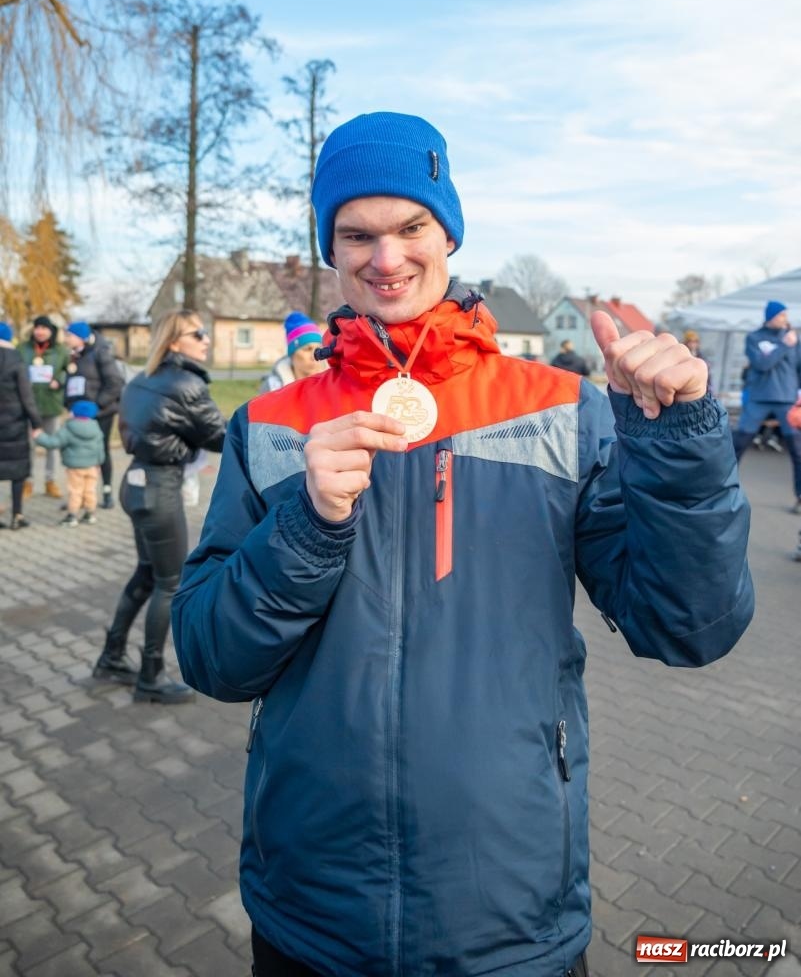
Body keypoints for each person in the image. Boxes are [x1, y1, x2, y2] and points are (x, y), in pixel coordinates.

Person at [172, 112, 753, 977]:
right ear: (330, 249)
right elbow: (211, 656)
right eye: (356, 234)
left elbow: (686, 625)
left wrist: (678, 444)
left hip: (506, 908)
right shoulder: (272, 424)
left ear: (448, 231)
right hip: (312, 907)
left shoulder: (561, 406)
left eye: (410, 227)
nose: (386, 257)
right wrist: (305, 526)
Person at [92, 310, 226, 703]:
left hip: (135, 484)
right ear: (173, 342)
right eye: (197, 333)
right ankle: (150, 675)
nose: (206, 339)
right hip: (159, 489)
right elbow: (220, 435)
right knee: (171, 583)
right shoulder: (186, 384)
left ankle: (111, 655)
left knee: (148, 574)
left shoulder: (142, 379)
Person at [731, 300, 801, 513]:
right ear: (770, 316)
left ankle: (800, 496)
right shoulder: (755, 338)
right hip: (759, 397)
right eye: (781, 315)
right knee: (738, 445)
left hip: (787, 399)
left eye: (785, 315)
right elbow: (761, 364)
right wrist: (783, 345)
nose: (785, 319)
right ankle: (719, 491)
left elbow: (798, 368)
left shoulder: (793, 339)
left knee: (798, 451)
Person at [64, 321, 125, 510]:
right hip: (78, 415)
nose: (66, 339)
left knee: (101, 451)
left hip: (101, 413)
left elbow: (115, 382)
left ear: (80, 337)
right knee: (80, 454)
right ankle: (80, 496)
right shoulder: (74, 355)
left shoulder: (100, 353)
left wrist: (97, 405)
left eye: (69, 335)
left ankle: (107, 493)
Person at [17, 314, 70, 498]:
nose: (40, 331)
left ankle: (50, 481)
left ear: (51, 331)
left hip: (51, 403)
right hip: (28, 404)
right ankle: (28, 481)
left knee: (51, 445)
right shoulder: (23, 349)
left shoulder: (61, 350)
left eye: (44, 328)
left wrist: (60, 380)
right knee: (28, 446)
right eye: (37, 327)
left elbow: (69, 370)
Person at [35, 399, 105, 526]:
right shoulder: (96, 427)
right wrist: (99, 462)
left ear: (73, 413)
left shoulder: (68, 427)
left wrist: (39, 437)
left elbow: (53, 442)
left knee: (75, 490)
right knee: (90, 490)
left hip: (75, 467)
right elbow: (100, 447)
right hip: (92, 466)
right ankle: (90, 514)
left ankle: (72, 516)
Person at [0, 322, 42, 529]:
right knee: (17, 472)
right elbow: (27, 396)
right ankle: (17, 515)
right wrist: (36, 422)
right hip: (14, 423)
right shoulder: (17, 359)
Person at [259, 312, 326, 393]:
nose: (315, 356)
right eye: (308, 349)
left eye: (318, 349)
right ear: (292, 354)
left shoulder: (331, 384)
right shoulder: (273, 390)